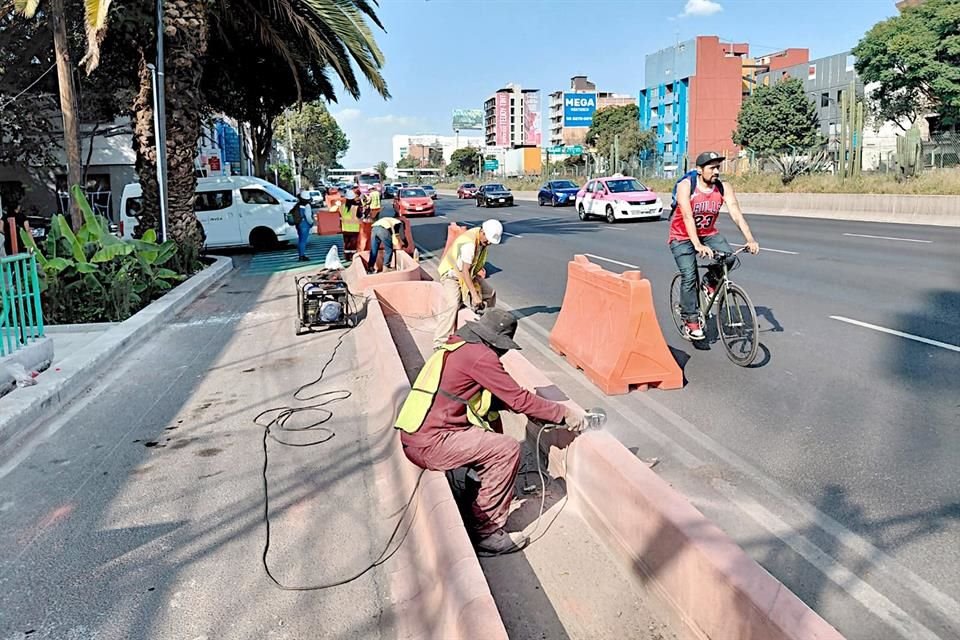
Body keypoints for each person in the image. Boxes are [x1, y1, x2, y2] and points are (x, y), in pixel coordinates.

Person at [396, 309, 586, 553]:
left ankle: (475, 496)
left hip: (416, 435)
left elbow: (496, 399)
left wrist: (535, 412)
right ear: (496, 342)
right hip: (432, 444)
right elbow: (518, 398)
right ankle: (487, 533)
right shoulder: (481, 357)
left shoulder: (458, 347)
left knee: (491, 428)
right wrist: (564, 414)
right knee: (505, 450)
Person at [669, 151, 760, 341]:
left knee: (731, 257)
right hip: (681, 236)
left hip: (708, 233)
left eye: (718, 167)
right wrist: (697, 244)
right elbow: (687, 216)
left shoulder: (723, 187)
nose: (716, 171)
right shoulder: (686, 186)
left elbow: (736, 213)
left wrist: (750, 239)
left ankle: (710, 281)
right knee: (689, 275)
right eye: (712, 167)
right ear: (699, 170)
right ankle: (691, 320)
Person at [432, 219, 502, 351]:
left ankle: (486, 325)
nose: (488, 243)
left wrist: (476, 291)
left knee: (490, 293)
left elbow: (470, 271)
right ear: (482, 232)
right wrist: (474, 295)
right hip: (452, 275)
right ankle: (439, 342)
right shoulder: (469, 243)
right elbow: (464, 271)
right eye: (487, 240)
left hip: (469, 274)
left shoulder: (481, 241)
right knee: (452, 304)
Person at [294, 191, 315, 262]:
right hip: (305, 225)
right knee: (303, 241)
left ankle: (300, 255)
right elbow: (308, 217)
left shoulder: (298, 205)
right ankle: (302, 256)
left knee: (300, 240)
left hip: (298, 224)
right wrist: (312, 223)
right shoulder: (307, 205)